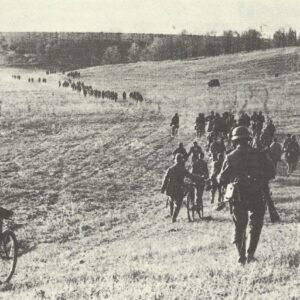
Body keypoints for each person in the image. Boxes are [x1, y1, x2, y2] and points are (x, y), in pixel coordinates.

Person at [218, 126, 275, 264]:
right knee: (256, 226)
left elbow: (221, 179)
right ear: (248, 139)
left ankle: (241, 258)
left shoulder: (230, 157)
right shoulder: (259, 154)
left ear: (235, 141)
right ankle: (250, 255)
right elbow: (271, 173)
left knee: (240, 226)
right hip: (256, 194)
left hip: (239, 197)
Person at [161, 154, 196, 222]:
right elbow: (190, 176)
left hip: (170, 189)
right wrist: (200, 177)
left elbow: (165, 179)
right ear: (181, 160)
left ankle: (172, 216)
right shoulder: (182, 169)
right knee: (178, 204)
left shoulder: (170, 169)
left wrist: (163, 189)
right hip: (179, 189)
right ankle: (173, 218)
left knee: (171, 201)